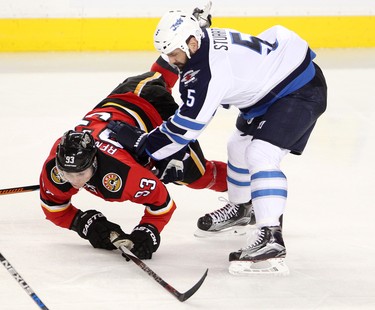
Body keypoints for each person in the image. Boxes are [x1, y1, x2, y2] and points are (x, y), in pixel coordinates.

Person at [107, 9, 327, 275]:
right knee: (238, 145)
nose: (171, 60)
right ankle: (243, 207)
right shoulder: (199, 39)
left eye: (174, 54)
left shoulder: (207, 73)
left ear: (191, 43)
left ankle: (271, 237)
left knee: (260, 154)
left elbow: (186, 127)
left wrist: (145, 145)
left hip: (298, 90)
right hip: (270, 86)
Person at [39, 61, 228, 261]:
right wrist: (84, 223)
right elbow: (54, 209)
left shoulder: (125, 173)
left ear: (94, 162)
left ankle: (252, 192)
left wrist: (148, 230)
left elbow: (162, 203)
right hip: (118, 115)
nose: (75, 182)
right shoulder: (56, 166)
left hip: (145, 103)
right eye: (67, 174)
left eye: (80, 174)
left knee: (198, 177)